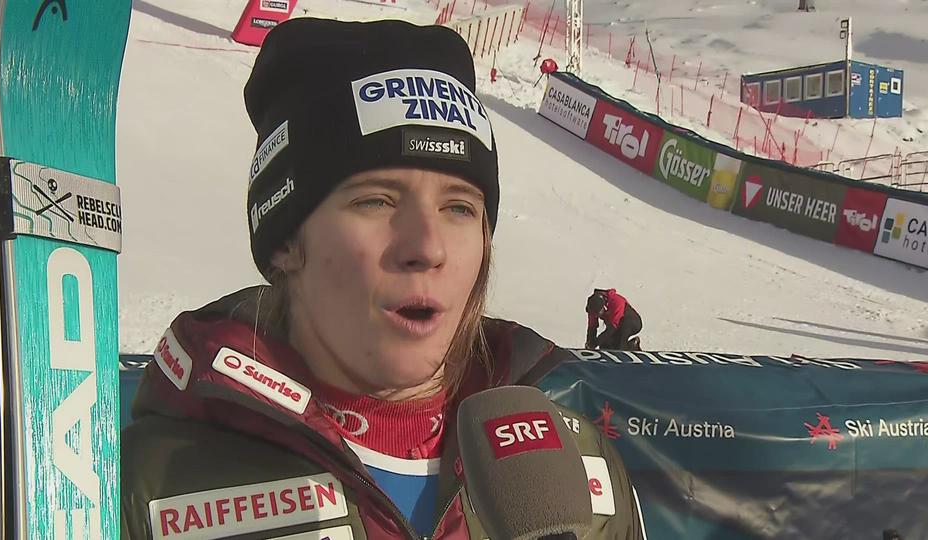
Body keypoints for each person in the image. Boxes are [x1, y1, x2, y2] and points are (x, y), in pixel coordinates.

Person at [121, 17, 646, 540]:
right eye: (376, 200)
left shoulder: (580, 469)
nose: (427, 247)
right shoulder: (155, 489)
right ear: (285, 241)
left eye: (459, 208)